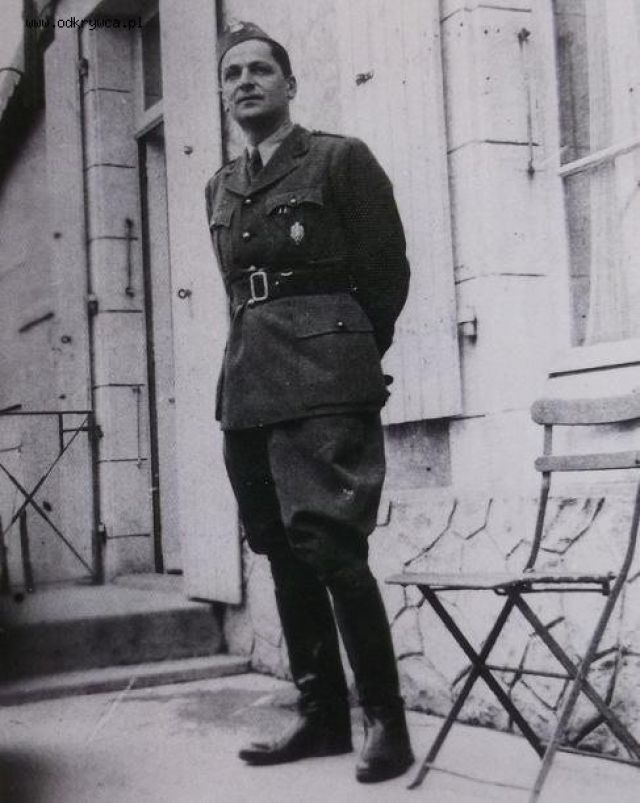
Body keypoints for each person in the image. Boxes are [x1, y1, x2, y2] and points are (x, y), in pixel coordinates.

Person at [205, 21, 413, 784]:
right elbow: (239, 290)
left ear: (289, 85)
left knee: (331, 546)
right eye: (233, 74)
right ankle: (322, 713)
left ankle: (386, 720)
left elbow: (387, 272)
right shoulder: (219, 186)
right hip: (249, 385)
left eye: (261, 70)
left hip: (326, 379)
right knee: (279, 549)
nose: (246, 82)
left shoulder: (338, 159)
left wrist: (346, 353)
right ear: (224, 94)